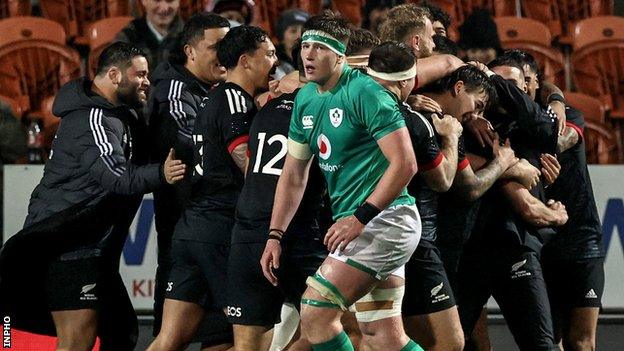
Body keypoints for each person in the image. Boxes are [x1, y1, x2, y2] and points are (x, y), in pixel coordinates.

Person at [0, 42, 184, 351]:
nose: (146, 82)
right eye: (139, 74)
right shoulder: (92, 119)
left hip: (91, 247)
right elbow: (116, 177)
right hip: (69, 245)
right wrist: (161, 174)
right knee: (77, 341)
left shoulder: (120, 115)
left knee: (119, 335)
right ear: (114, 75)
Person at [261, 11, 423, 351]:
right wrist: (275, 235)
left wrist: (360, 217)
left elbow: (405, 163)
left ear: (340, 55)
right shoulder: (305, 99)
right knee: (384, 337)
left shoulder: (366, 92)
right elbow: (293, 175)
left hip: (386, 220)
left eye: (319, 47)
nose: (308, 54)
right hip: (363, 224)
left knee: (316, 312)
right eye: (305, 45)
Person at [148, 25, 277, 351]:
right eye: (270, 54)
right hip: (222, 231)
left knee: (170, 339)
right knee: (252, 338)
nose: (276, 62)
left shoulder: (213, 97)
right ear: (246, 61)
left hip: (192, 229)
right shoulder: (235, 99)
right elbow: (243, 156)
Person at [226, 41, 327, 351]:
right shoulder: (323, 114)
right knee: (335, 327)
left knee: (248, 344)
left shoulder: (266, 108)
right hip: (293, 234)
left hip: (247, 233)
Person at [505, 49, 605, 351]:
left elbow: (562, 140)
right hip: (539, 240)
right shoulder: (506, 128)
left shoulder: (567, 116)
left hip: (580, 239)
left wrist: (556, 99)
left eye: (527, 80)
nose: (521, 88)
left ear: (535, 83)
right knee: (550, 340)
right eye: (513, 82)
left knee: (581, 342)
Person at [145, 12, 230, 339]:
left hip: (203, 222)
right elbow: (193, 143)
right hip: (186, 222)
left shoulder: (209, 88)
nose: (225, 55)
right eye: (216, 47)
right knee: (172, 330)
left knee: (213, 330)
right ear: (190, 51)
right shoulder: (175, 93)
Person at [116, 0, 184, 72]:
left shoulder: (189, 36)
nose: (164, 8)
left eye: (170, 0)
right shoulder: (128, 37)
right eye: (157, 0)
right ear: (144, 1)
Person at [274, 9, 309, 78]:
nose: (299, 36)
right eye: (293, 31)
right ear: (282, 37)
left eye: (304, 31)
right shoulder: (274, 65)